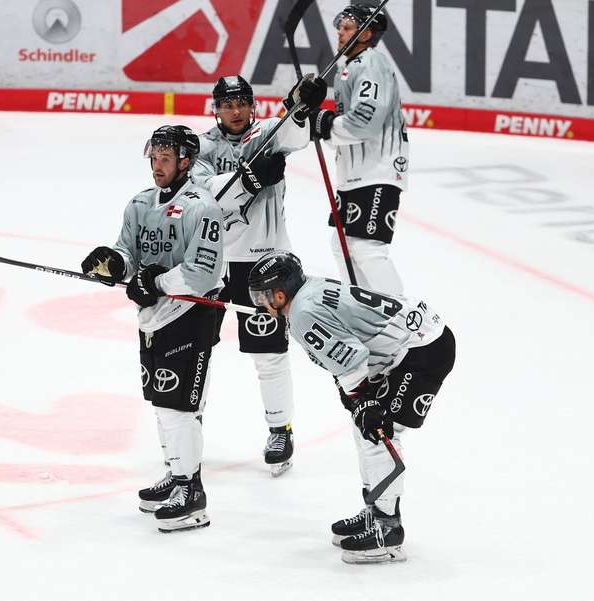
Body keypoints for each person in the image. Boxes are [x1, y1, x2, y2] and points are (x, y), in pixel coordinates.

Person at [247, 250, 456, 563]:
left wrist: (363, 400)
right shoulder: (308, 290)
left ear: (279, 294)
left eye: (262, 297)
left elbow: (352, 359)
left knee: (378, 432)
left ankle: (387, 528)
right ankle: (376, 509)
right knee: (365, 429)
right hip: (415, 341)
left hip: (422, 350)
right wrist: (359, 398)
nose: (259, 304)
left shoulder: (302, 313)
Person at [81, 125, 224, 533]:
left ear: (185, 161)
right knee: (161, 402)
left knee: (179, 407)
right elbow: (129, 253)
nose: (157, 166)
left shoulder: (202, 207)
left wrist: (156, 282)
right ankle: (178, 475)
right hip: (153, 316)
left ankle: (192, 494)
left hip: (192, 313)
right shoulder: (140, 204)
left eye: (165, 158)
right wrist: (113, 263)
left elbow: (202, 271)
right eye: (154, 158)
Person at [190, 74, 323, 476]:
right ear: (215, 108)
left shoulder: (270, 132)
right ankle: (188, 423)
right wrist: (247, 179)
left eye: (241, 103)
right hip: (209, 262)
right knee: (196, 350)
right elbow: (198, 193)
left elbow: (297, 135)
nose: (234, 110)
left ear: (253, 106)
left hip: (263, 264)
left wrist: (302, 104)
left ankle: (280, 428)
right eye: (226, 104)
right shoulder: (201, 146)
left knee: (269, 355)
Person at [303, 3, 408, 295]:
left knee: (367, 249)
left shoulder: (371, 64)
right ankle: (363, 311)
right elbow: (339, 125)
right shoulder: (347, 69)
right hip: (354, 173)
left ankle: (402, 318)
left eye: (347, 28)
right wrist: (317, 115)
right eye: (340, 27)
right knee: (342, 244)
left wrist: (325, 124)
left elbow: (365, 121)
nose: (340, 33)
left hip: (377, 170)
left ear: (366, 34)